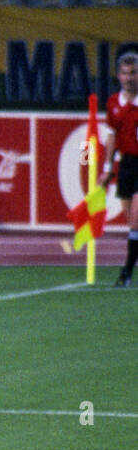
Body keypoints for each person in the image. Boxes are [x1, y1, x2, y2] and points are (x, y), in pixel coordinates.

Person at [97, 52, 138, 287]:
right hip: (126, 165)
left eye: (133, 73)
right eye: (124, 73)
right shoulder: (114, 103)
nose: (128, 78)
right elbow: (111, 137)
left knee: (135, 220)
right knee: (130, 220)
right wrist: (107, 168)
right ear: (118, 76)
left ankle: (126, 273)